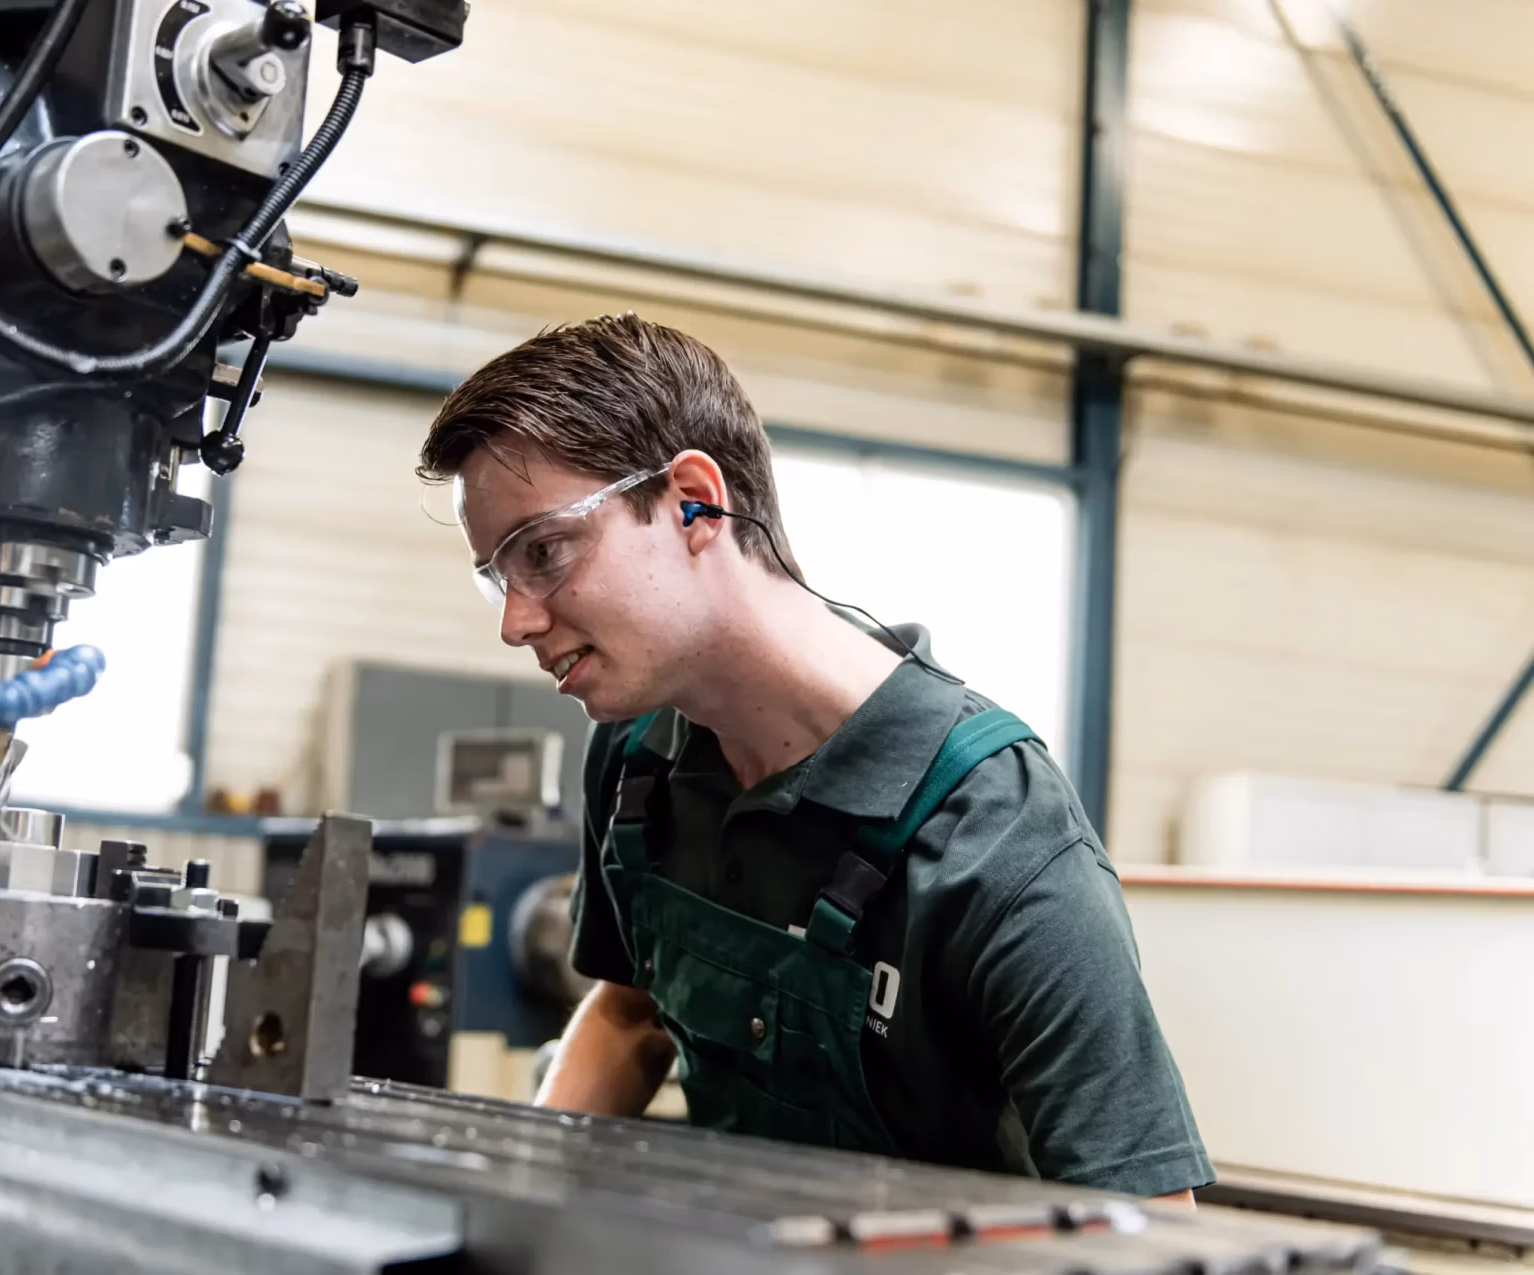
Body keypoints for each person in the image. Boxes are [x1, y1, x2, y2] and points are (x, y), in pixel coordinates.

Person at [418, 313, 1211, 1200]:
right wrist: (522, 1211)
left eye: (546, 551)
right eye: (499, 573)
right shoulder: (635, 759)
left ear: (693, 502)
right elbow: (632, 1011)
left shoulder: (999, 844)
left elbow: (1150, 1222)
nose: (515, 620)